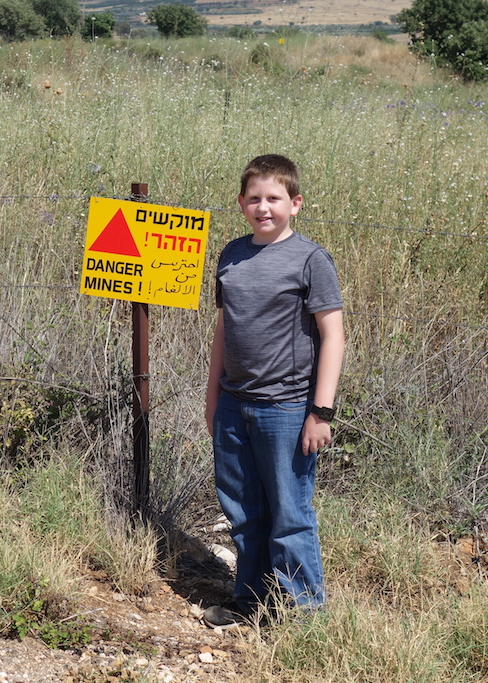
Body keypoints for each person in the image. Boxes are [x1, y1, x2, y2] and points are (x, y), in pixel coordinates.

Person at [203, 154, 344, 628]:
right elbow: (224, 329)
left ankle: (303, 617)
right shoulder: (231, 254)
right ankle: (252, 604)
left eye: (274, 199)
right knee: (243, 512)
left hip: (286, 408)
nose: (264, 208)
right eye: (254, 199)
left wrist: (320, 411)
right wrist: (212, 399)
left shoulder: (310, 259)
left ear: (295, 203)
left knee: (289, 514)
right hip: (233, 404)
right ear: (241, 203)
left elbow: (333, 335)